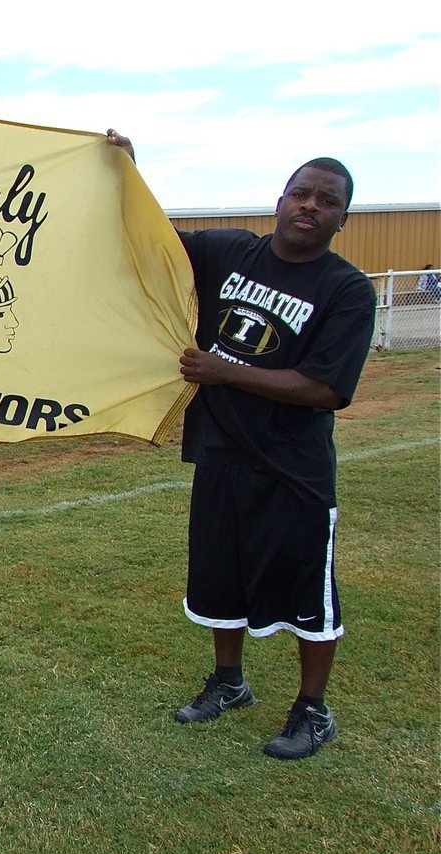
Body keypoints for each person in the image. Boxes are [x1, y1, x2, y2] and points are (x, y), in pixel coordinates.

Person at [108, 130, 376, 760]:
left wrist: (225, 371)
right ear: (279, 200)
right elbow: (156, 244)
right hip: (222, 452)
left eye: (326, 200)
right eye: (300, 193)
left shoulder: (348, 290)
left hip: (294, 467)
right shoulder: (231, 251)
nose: (309, 205)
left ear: (342, 217)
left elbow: (325, 388)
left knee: (309, 590)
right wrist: (128, 172)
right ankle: (229, 683)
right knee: (218, 578)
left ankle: (313, 709)